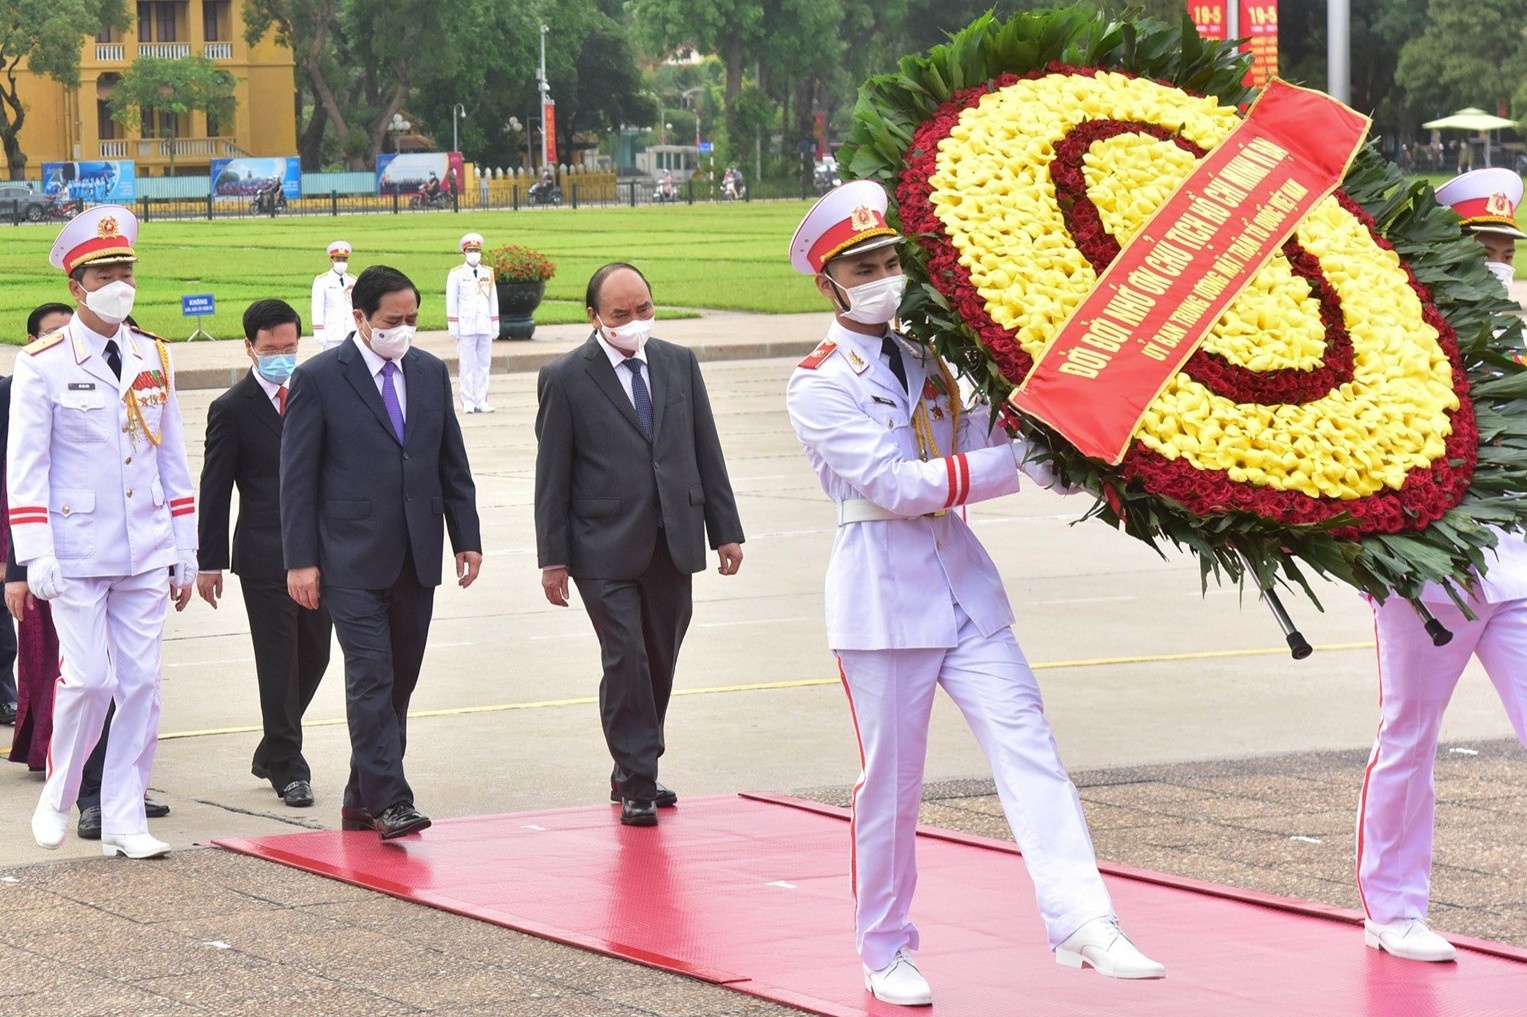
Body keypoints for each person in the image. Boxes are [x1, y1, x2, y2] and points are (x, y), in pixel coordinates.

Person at [784, 182, 1164, 1005]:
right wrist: (1010, 466)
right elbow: (894, 483)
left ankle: (1081, 918)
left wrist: (1071, 454)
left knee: (1030, 746)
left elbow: (994, 437)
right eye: (864, 266)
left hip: (964, 589)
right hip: (882, 603)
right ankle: (884, 948)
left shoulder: (929, 360)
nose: (886, 276)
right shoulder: (817, 382)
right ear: (829, 283)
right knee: (890, 784)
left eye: (891, 260)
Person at [1356, 166, 1527, 963]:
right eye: (1481, 246)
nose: (1495, 260)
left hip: (1517, 567)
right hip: (1428, 575)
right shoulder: (1398, 336)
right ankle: (1391, 908)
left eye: (1504, 247)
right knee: (1409, 736)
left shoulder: (1519, 332)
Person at [8, 205, 198, 859]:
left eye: (125, 268)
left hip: (145, 545)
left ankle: (123, 815)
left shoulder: (153, 354)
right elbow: (25, 468)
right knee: (88, 679)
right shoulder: (43, 365)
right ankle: (60, 791)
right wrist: (33, 554)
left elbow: (172, 457)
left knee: (140, 683)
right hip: (76, 550)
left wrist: (185, 546)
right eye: (104, 270)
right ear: (76, 284)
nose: (119, 279)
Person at [533, 263, 745, 828]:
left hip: (672, 537)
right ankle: (638, 779)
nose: (634, 322)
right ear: (594, 317)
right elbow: (551, 476)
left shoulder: (679, 363)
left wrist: (726, 529)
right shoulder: (566, 377)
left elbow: (706, 448)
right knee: (625, 657)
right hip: (600, 546)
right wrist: (552, 558)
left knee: (660, 659)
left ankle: (634, 763)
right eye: (620, 314)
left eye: (643, 310)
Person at [281, 265, 482, 840]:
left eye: (412, 319)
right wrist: (301, 559)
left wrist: (464, 536)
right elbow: (296, 478)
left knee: (399, 682)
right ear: (360, 317)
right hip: (348, 556)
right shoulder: (320, 377)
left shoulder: (427, 371)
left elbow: (451, 461)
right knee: (369, 677)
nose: (403, 330)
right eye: (392, 320)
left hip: (417, 554)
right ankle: (392, 799)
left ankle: (359, 795)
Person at [197, 299, 332, 809]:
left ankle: (271, 746)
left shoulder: (317, 393)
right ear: (249, 347)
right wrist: (208, 560)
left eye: (290, 347)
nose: (281, 357)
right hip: (263, 554)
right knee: (279, 662)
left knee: (315, 655)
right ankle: (290, 768)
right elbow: (216, 488)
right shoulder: (231, 409)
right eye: (270, 349)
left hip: (321, 553)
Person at [3, 304, 73, 763]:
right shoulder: (10, 394)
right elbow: (14, 480)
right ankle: (47, 745)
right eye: (51, 335)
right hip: (31, 538)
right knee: (43, 650)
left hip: (87, 542)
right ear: (31, 341)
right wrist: (16, 561)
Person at [445, 232, 500, 414]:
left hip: (484, 324)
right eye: (470, 250)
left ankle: (481, 400)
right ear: (464, 252)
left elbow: (493, 300)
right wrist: (453, 325)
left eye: (477, 250)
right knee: (467, 365)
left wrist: (495, 324)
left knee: (484, 364)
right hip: (466, 326)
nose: (474, 253)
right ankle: (467, 400)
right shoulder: (457, 274)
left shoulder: (488, 272)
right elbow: (451, 301)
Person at [310, 241, 355, 353]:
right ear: (331, 260)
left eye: (344, 259)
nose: (341, 262)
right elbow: (317, 308)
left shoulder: (353, 280)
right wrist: (319, 332)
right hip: (331, 334)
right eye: (338, 259)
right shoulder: (322, 281)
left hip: (351, 331)